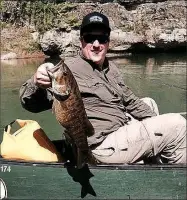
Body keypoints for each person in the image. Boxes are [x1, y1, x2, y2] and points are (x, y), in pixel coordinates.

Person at [19, 11, 186, 164]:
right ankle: (172, 181)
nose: (96, 44)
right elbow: (31, 103)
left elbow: (130, 101)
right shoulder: (67, 71)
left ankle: (153, 161)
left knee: (149, 103)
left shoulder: (110, 68)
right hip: (100, 145)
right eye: (90, 38)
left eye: (102, 38)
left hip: (119, 129)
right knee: (178, 126)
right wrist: (36, 82)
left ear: (108, 42)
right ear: (81, 41)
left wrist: (157, 121)